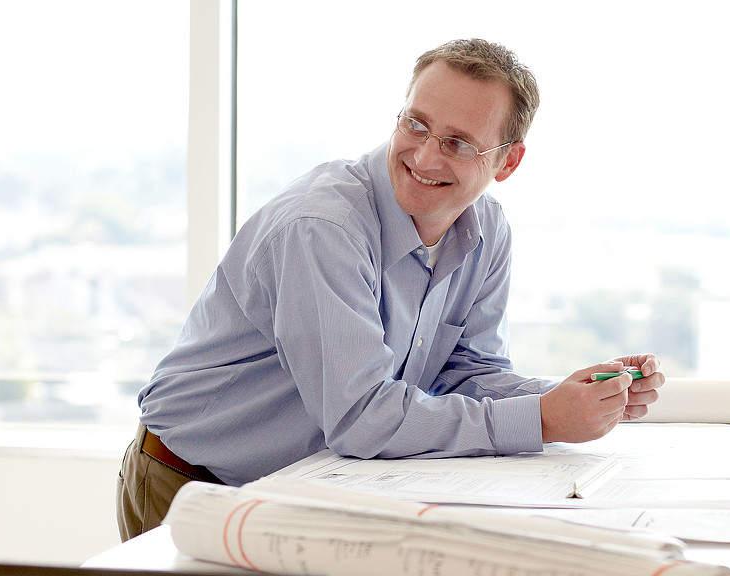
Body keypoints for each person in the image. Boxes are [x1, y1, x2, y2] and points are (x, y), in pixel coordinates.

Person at [117, 38, 664, 541]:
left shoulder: (486, 229)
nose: (426, 158)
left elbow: (466, 373)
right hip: (188, 481)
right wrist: (544, 419)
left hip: (301, 484)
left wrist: (570, 398)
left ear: (508, 161)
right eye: (418, 126)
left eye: (458, 143)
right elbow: (362, 419)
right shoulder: (323, 228)